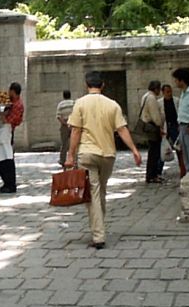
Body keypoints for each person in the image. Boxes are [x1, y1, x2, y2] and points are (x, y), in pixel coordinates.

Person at [66, 71, 142, 249]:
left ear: (87, 84)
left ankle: (98, 234)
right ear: (103, 85)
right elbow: (122, 129)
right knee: (100, 191)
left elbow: (75, 131)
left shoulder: (80, 103)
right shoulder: (112, 105)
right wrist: (134, 150)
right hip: (108, 154)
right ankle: (98, 226)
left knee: (93, 193)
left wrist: (70, 154)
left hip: (87, 153)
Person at [0, 82, 24, 194]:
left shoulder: (17, 105)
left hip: (8, 132)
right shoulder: (12, 103)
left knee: (7, 159)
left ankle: (10, 184)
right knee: (2, 160)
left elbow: (8, 120)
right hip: (6, 132)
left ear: (13, 91)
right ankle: (7, 183)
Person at [141, 80, 165, 184]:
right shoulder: (151, 98)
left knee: (153, 152)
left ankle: (152, 174)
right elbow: (155, 116)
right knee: (154, 152)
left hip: (148, 125)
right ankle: (152, 175)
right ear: (156, 89)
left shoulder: (145, 96)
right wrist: (160, 126)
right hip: (152, 126)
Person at [159, 84, 184, 177]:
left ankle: (182, 168)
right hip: (166, 126)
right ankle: (159, 170)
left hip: (175, 126)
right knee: (162, 148)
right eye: (167, 92)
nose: (169, 94)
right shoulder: (159, 103)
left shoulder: (177, 101)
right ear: (163, 92)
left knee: (179, 147)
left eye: (170, 91)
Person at [55, 90, 74, 166]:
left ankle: (62, 160)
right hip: (73, 124)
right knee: (74, 143)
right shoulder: (73, 103)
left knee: (64, 144)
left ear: (63, 96)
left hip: (64, 125)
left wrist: (65, 123)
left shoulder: (60, 104)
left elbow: (58, 116)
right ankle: (74, 160)